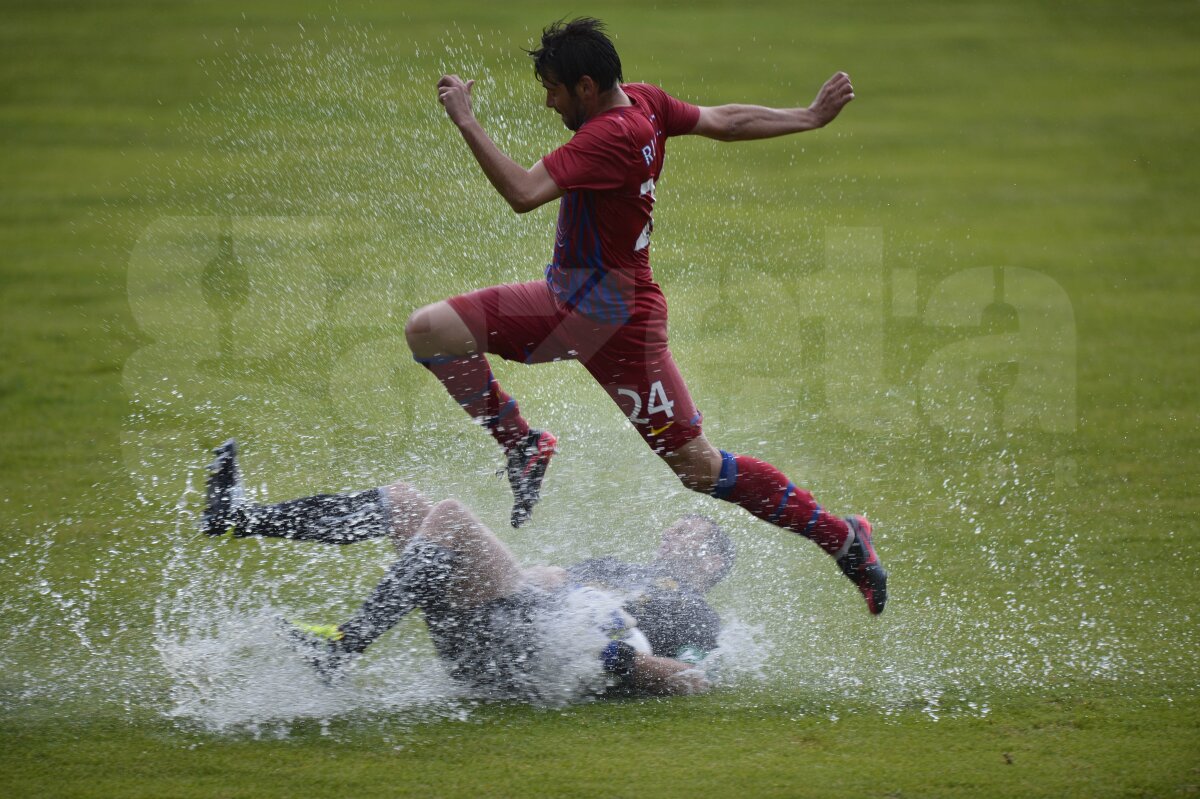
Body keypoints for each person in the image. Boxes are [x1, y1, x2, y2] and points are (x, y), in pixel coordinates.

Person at [406, 18, 887, 613]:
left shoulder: (606, 137)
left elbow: (523, 193)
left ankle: (843, 540)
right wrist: (807, 116)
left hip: (619, 326)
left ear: (585, 87)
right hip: (565, 300)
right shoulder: (647, 102)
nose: (548, 100)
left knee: (700, 468)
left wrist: (466, 120)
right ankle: (522, 443)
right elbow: (725, 121)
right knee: (429, 331)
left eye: (554, 89)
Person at [201, 439, 731, 698]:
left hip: (534, 661)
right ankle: (238, 518)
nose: (671, 532)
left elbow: (694, 678)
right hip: (509, 628)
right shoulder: (614, 568)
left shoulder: (696, 613)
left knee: (451, 516)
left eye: (688, 532)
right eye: (674, 526)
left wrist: (618, 660)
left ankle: (342, 646)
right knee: (408, 503)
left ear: (711, 561)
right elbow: (539, 580)